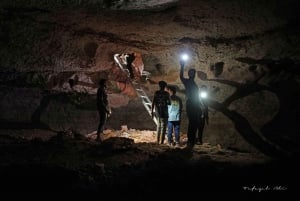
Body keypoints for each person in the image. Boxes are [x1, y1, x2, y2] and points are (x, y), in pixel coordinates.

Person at [179, 60, 202, 147]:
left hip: (195, 104)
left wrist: (200, 105)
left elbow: (197, 96)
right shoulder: (188, 82)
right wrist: (182, 66)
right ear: (189, 74)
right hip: (191, 104)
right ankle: (190, 140)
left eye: (194, 73)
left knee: (195, 122)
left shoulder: (194, 83)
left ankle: (192, 140)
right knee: (192, 122)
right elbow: (181, 77)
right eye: (191, 73)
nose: (193, 74)